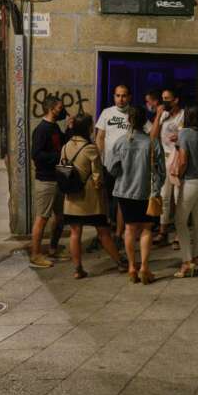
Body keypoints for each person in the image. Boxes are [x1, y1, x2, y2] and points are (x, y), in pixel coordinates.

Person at [61, 113, 127, 278]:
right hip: (90, 199)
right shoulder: (90, 148)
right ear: (87, 128)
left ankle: (77, 269)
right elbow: (98, 177)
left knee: (75, 233)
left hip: (71, 198)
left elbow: (63, 169)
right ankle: (120, 263)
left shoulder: (65, 146)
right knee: (103, 232)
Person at [110, 105, 165, 284]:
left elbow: (112, 169)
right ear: (144, 122)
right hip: (146, 192)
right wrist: (157, 187)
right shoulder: (153, 142)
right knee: (147, 229)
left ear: (128, 121)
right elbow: (161, 171)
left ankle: (132, 267)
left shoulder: (120, 142)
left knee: (129, 229)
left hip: (124, 192)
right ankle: (145, 268)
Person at [171, 104, 198, 278]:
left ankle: (186, 261)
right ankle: (195, 258)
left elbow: (182, 161)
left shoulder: (185, 133)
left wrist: (177, 176)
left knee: (180, 220)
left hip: (190, 181)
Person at [29, 95, 66, 269]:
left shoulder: (55, 127)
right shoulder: (41, 129)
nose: (62, 110)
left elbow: (60, 144)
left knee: (60, 216)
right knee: (42, 218)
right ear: (51, 109)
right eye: (60, 108)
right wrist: (58, 157)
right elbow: (36, 154)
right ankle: (35, 254)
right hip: (46, 180)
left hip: (58, 178)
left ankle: (53, 248)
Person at [96, 84, 133, 245]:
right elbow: (99, 137)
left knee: (121, 200)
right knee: (106, 198)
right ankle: (107, 231)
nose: (120, 99)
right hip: (108, 165)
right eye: (118, 95)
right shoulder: (107, 113)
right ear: (114, 97)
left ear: (129, 97)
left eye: (124, 95)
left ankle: (119, 233)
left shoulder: (134, 113)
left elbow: (148, 133)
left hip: (126, 166)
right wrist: (99, 160)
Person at [153, 87, 183, 248]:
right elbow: (153, 136)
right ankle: (163, 231)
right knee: (164, 196)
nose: (165, 102)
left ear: (176, 100)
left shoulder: (183, 115)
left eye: (168, 98)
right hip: (164, 160)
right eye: (163, 98)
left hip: (177, 159)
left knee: (178, 198)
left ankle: (179, 234)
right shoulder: (163, 115)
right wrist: (158, 115)